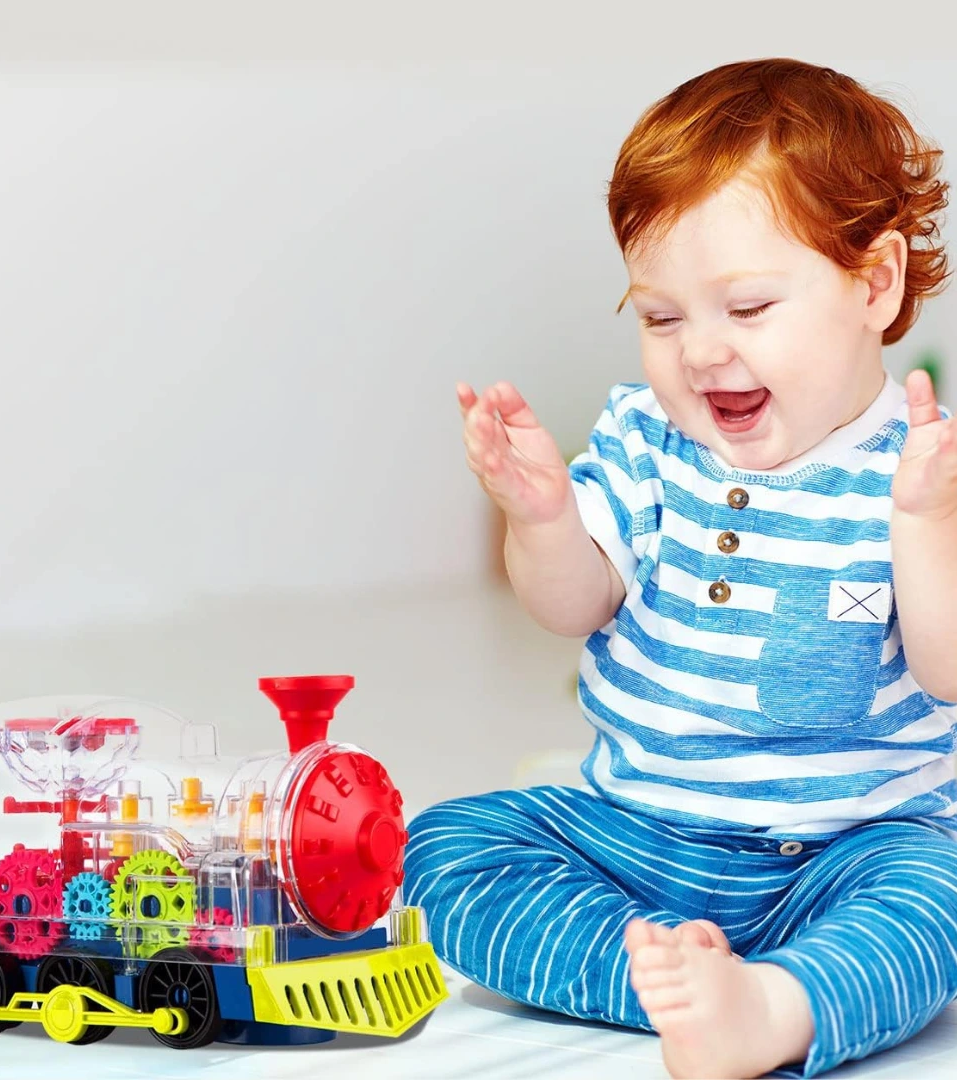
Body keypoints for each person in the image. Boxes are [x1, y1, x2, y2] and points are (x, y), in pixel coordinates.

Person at [402, 58, 957, 1079]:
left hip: (847, 853)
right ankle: (671, 983)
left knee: (938, 899)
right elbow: (573, 604)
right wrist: (540, 517)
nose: (700, 353)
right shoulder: (645, 439)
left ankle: (780, 1006)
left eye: (747, 309)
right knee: (444, 847)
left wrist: (926, 525)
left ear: (875, 285)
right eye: (662, 318)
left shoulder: (924, 471)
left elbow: (948, 668)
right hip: (638, 835)